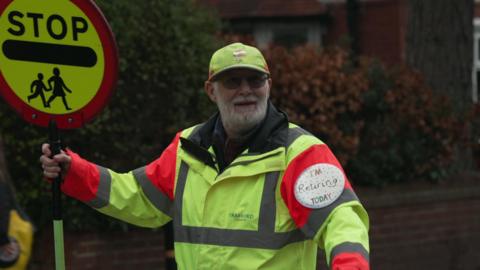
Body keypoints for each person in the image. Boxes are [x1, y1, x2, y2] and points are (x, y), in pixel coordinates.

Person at [40, 42, 370, 269]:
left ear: (269, 85)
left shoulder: (301, 154)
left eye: (255, 80)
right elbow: (138, 197)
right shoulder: (187, 147)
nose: (245, 90)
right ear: (211, 91)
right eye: (232, 81)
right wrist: (74, 172)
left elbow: (342, 223)